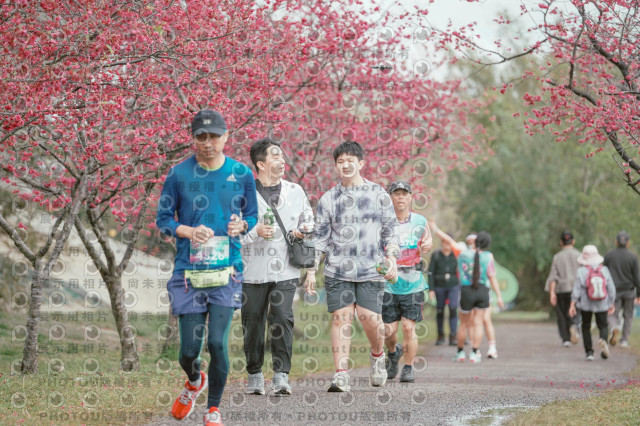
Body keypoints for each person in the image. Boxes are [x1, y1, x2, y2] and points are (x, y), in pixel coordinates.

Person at [156, 110, 258, 426]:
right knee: (188, 351)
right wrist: (188, 231)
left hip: (227, 271)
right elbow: (163, 220)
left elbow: (252, 215)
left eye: (215, 136)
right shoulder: (178, 174)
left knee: (216, 342)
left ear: (226, 137)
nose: (208, 142)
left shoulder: (241, 173)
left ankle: (213, 409)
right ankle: (193, 380)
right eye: (202, 136)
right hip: (189, 272)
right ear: (193, 138)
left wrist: (243, 224)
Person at [303, 140, 399, 392]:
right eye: (340, 161)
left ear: (361, 163)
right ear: (336, 165)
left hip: (371, 270)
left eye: (350, 161)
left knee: (370, 319)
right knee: (341, 318)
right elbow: (320, 238)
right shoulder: (329, 198)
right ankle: (341, 374)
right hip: (337, 270)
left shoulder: (378, 193)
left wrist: (392, 258)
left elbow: (390, 231)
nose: (345, 165)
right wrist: (311, 271)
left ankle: (377, 356)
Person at [240, 138, 313, 396]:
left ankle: (281, 376)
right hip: (252, 271)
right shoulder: (243, 194)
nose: (282, 160)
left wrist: (303, 231)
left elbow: (309, 221)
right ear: (261, 164)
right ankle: (255, 374)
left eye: (282, 156)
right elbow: (233, 233)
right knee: (253, 323)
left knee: (282, 318)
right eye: (275, 156)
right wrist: (256, 232)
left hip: (285, 269)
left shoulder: (295, 190)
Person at [382, 181, 432, 383]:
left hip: (413, 282)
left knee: (408, 327)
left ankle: (409, 367)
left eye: (404, 193)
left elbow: (427, 241)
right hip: (389, 283)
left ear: (411, 197)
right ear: (391, 198)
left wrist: (427, 244)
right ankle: (393, 353)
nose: (401, 197)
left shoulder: (420, 221)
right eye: (397, 194)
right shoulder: (383, 221)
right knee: (388, 331)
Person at [454, 231, 504, 363]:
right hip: (483, 291)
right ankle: (474, 353)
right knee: (478, 323)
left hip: (466, 291)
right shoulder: (488, 257)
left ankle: (460, 353)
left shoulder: (462, 254)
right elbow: (492, 277)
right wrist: (499, 296)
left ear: (475, 241)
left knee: (463, 324)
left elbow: (458, 270)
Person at [569, 245, 616, 361]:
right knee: (603, 325)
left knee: (586, 326)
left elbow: (577, 289)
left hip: (586, 304)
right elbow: (611, 288)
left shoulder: (581, 271)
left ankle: (589, 352)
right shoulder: (604, 270)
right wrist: (611, 302)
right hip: (602, 303)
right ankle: (603, 340)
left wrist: (572, 303)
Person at [545, 230, 581, 347]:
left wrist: (552, 293)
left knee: (562, 314)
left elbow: (553, 277)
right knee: (575, 311)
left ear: (561, 242)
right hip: (576, 288)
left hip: (561, 289)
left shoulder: (557, 257)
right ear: (573, 241)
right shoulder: (579, 256)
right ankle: (574, 326)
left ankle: (566, 339)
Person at [604, 231, 640, 348]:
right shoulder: (633, 257)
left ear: (616, 242)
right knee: (628, 316)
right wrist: (638, 294)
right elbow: (637, 277)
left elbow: (604, 272)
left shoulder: (609, 255)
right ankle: (624, 340)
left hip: (613, 290)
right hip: (629, 290)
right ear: (628, 243)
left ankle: (614, 327)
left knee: (612, 313)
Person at [428, 232, 461, 346]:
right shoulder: (436, 255)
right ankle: (440, 335)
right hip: (439, 285)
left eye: (449, 242)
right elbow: (431, 272)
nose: (446, 244)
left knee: (453, 308)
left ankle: (453, 335)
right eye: (444, 242)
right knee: (440, 310)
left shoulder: (456, 255)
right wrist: (431, 289)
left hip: (453, 285)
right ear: (442, 242)